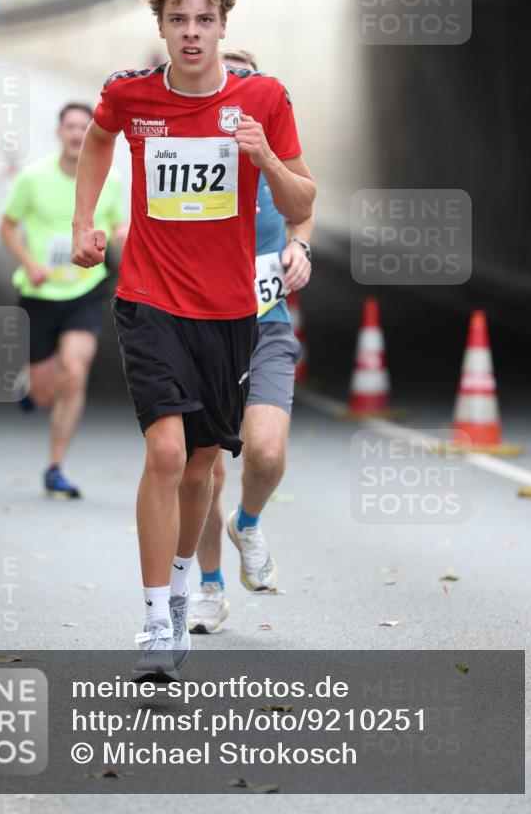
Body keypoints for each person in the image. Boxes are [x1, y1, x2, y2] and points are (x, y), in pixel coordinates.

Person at [72, 0, 316, 673]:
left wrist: (263, 156)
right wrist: (86, 220)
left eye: (203, 20)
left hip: (233, 308)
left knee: (203, 466)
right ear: (160, 24)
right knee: (167, 453)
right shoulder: (130, 94)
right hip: (149, 298)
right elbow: (97, 139)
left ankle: (183, 592)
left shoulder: (265, 98)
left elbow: (303, 200)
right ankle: (154, 620)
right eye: (177, 19)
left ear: (221, 26)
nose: (190, 32)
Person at [188, 50, 314, 634]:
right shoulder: (188, 153)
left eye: (243, 75)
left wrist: (301, 247)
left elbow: (304, 201)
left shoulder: (268, 147)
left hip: (265, 323)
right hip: (202, 326)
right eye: (225, 74)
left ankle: (249, 520)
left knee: (264, 453)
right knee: (206, 470)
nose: (232, 84)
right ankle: (210, 588)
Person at [0, 102, 128, 499]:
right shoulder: (33, 178)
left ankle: (55, 466)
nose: (76, 134)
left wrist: (120, 235)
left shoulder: (112, 179)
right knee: (42, 393)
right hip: (39, 291)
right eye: (70, 127)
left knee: (75, 369)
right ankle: (31, 383)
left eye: (83, 127)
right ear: (58, 133)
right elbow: (7, 227)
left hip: (85, 289)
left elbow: (120, 222)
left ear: (92, 134)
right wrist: (30, 263)